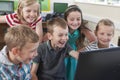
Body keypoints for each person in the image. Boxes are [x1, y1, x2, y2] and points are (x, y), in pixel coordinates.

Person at [64, 5, 97, 80]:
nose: (75, 22)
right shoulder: (62, 28)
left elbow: (94, 41)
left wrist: (80, 51)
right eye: (72, 19)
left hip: (74, 54)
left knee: (72, 73)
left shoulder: (82, 29)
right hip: (62, 53)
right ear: (66, 20)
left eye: (78, 19)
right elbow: (46, 38)